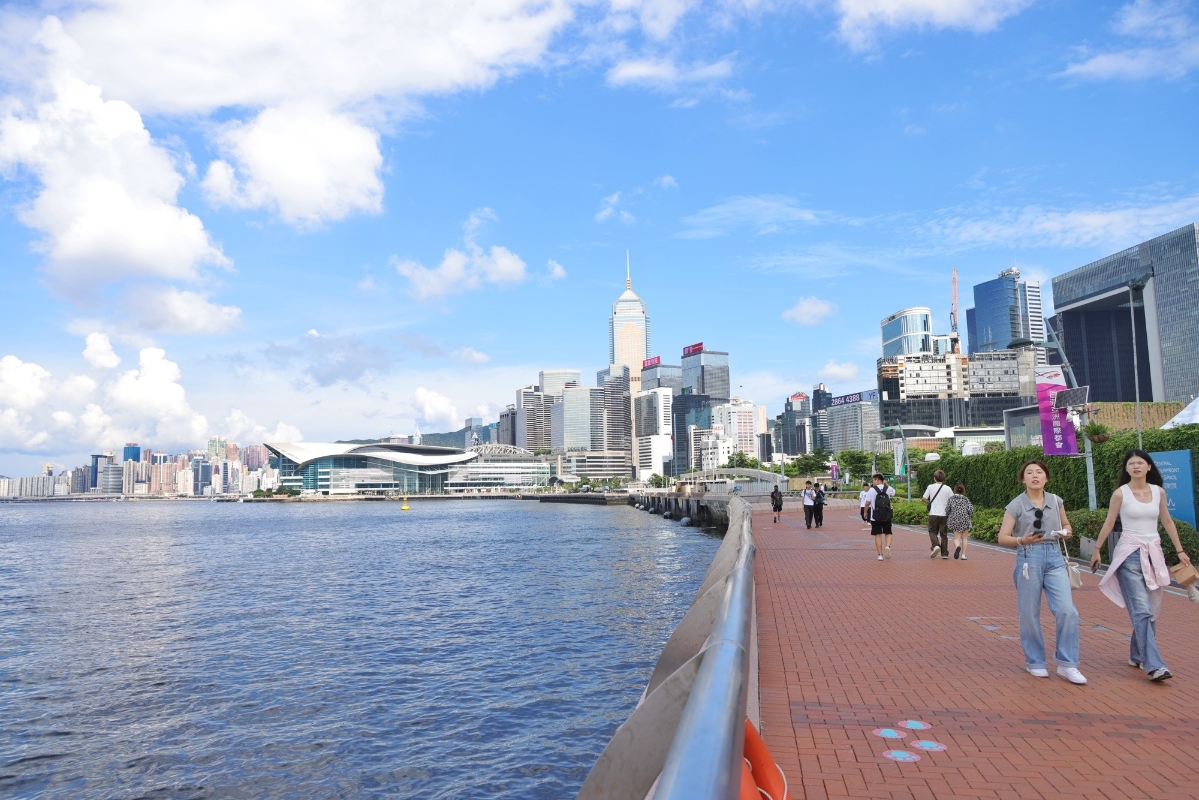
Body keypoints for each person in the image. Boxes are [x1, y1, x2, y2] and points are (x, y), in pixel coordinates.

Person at [1090, 450, 1193, 682]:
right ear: (1126, 469)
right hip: (1129, 555)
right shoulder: (1120, 493)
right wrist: (1097, 549)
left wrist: (1180, 551)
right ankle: (1154, 665)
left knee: (1152, 611)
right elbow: (1109, 522)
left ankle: (1137, 655)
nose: (1135, 466)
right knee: (1141, 610)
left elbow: (1167, 521)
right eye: (1131, 463)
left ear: (1149, 467)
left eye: (1140, 462)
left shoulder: (1158, 492)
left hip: (1154, 554)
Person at [997, 460, 1085, 684]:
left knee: (1067, 610)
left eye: (1039, 472)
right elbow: (1002, 537)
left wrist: (1066, 532)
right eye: (1029, 472)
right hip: (1028, 557)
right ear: (1023, 479)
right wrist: (1021, 540)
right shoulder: (1016, 504)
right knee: (1029, 613)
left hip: (1055, 556)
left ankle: (1067, 664)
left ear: (1046, 477)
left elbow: (1067, 525)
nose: (1035, 476)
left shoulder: (1056, 501)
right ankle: (1035, 662)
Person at [922, 469, 951, 559]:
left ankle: (936, 545)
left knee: (932, 531)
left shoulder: (930, 487)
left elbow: (924, 498)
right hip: (944, 514)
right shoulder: (948, 488)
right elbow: (952, 500)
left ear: (934, 478)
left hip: (933, 513)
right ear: (943, 478)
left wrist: (930, 502)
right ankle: (945, 553)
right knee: (944, 534)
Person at [868, 474, 896, 561]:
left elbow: (867, 502)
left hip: (875, 516)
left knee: (878, 535)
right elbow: (894, 492)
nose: (873, 482)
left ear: (877, 480)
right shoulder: (888, 488)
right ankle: (887, 546)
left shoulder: (872, 490)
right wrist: (886, 484)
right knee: (888, 533)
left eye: (873, 480)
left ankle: (880, 555)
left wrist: (865, 512)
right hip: (886, 515)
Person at [946, 483, 974, 560]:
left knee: (956, 538)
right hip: (965, 520)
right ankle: (963, 555)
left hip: (955, 520)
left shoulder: (951, 499)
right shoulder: (966, 499)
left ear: (955, 489)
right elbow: (971, 510)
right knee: (965, 538)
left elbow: (947, 510)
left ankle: (958, 547)